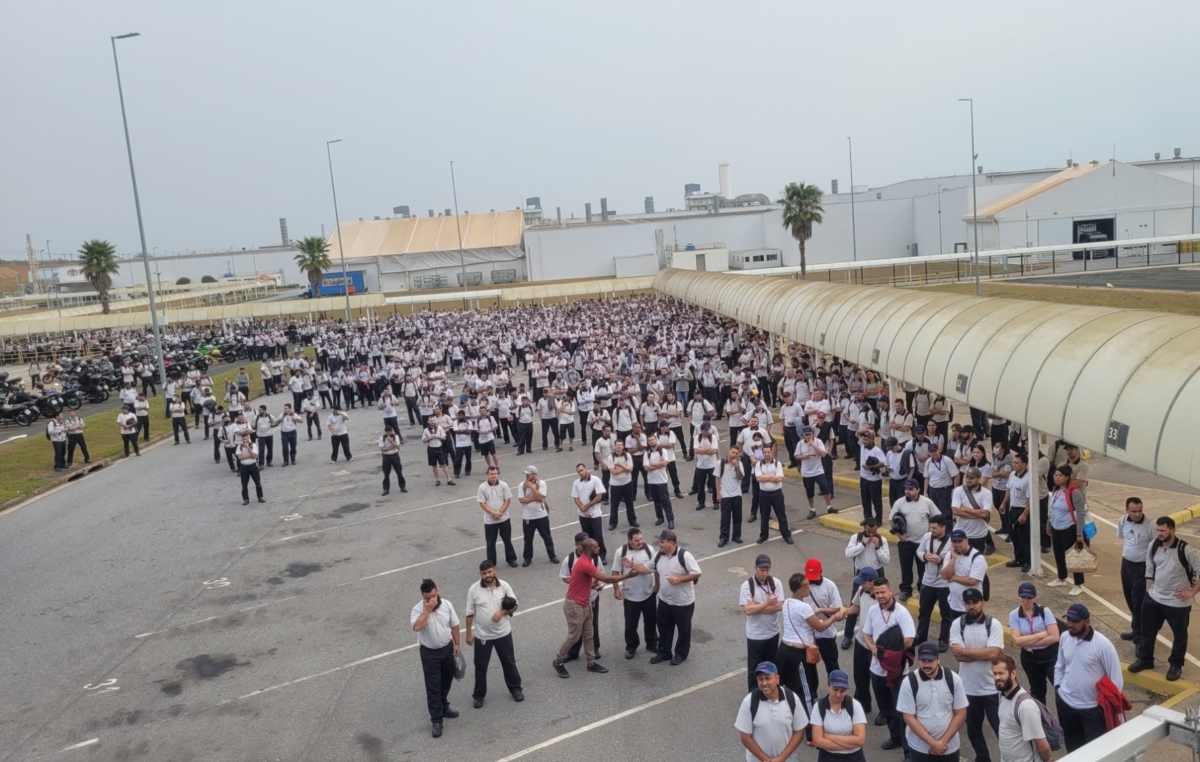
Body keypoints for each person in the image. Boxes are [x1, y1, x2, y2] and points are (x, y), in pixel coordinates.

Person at [1130, 515, 1200, 682]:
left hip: (1177, 602)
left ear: (1172, 530)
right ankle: (1145, 659)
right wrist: (1149, 591)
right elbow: (1149, 568)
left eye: (1162, 530)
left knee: (1180, 635)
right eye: (1157, 530)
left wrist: (1192, 592)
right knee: (1147, 632)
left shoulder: (1186, 550)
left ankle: (1176, 665)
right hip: (1154, 598)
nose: (1159, 533)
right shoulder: (1153, 545)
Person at [553, 537, 626, 678]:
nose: (599, 549)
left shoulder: (588, 561)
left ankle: (591, 663)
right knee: (573, 637)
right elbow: (608, 579)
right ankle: (558, 661)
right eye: (596, 547)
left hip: (584, 602)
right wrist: (629, 575)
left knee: (588, 635)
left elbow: (583, 581)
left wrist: (591, 586)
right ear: (588, 550)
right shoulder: (584, 563)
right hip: (574, 605)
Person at [1054, 603, 1122, 752]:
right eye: (1069, 620)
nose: (1070, 624)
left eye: (1075, 621)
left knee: (1096, 752)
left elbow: (1116, 681)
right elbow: (1060, 666)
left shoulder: (1103, 645)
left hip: (1092, 710)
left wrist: (1101, 707)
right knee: (1073, 749)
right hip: (1066, 704)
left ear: (1087, 622)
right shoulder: (1065, 637)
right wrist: (1058, 689)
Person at [949, 588, 1003, 762]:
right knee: (973, 730)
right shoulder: (957, 624)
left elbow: (993, 654)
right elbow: (957, 656)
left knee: (1002, 731)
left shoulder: (993, 625)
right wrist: (982, 653)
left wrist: (966, 652)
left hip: (993, 689)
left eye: (975, 602)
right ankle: (983, 758)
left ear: (982, 603)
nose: (971, 606)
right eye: (968, 603)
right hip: (968, 689)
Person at [778, 572, 846, 711]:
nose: (809, 588)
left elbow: (802, 623)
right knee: (805, 694)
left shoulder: (787, 603)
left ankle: (792, 717)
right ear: (798, 589)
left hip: (784, 650)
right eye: (806, 586)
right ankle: (810, 727)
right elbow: (820, 627)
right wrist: (834, 618)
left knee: (789, 690)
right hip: (797, 655)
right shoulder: (804, 607)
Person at [862, 577, 915, 753]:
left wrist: (889, 652)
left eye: (883, 592)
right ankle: (895, 738)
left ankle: (908, 749)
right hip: (876, 669)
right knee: (886, 708)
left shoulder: (901, 613)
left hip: (897, 671)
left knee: (902, 711)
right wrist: (874, 650)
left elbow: (908, 640)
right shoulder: (872, 610)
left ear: (891, 591)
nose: (880, 596)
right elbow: (866, 635)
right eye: (877, 593)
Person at [896, 641, 969, 762]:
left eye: (930, 660)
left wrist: (942, 742)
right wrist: (933, 743)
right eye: (923, 660)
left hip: (949, 748)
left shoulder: (953, 679)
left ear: (938, 659)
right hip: (919, 749)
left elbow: (961, 714)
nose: (926, 664)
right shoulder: (909, 682)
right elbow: (908, 717)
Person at [638, 529, 702, 666]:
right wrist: (632, 566)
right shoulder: (658, 555)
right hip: (664, 600)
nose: (659, 544)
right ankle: (664, 652)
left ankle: (681, 653)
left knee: (683, 630)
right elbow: (647, 569)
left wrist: (680, 579)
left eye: (662, 542)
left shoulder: (684, 556)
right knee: (664, 628)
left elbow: (697, 573)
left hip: (683, 602)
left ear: (671, 543)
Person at [464, 560, 522, 708]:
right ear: (480, 574)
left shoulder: (504, 586)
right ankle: (479, 695)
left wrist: (503, 612)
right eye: (484, 573)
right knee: (481, 666)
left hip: (503, 633)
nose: (487, 575)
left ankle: (515, 689)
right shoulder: (474, 589)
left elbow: (515, 605)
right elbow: (469, 613)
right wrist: (468, 634)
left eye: (489, 572)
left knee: (509, 662)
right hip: (482, 636)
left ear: (495, 570)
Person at [411, 578, 461, 738]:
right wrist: (427, 610)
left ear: (437, 591)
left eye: (433, 596)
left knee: (446, 681)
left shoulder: (446, 605)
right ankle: (436, 721)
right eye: (427, 598)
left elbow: (454, 624)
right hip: (429, 653)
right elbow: (417, 627)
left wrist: (457, 643)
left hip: (447, 649)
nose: (431, 600)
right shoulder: (418, 610)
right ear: (422, 596)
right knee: (433, 687)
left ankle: (444, 706)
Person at [734, 661, 808, 762]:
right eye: (760, 679)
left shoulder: (792, 698)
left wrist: (781, 758)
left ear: (777, 679)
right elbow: (745, 737)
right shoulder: (749, 702)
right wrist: (766, 760)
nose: (764, 683)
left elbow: (799, 732)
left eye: (768, 678)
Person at [992, 653, 1053, 762]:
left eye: (1001, 673)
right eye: (994, 673)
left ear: (1013, 673)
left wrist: (1049, 760)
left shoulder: (1025, 706)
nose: (997, 677)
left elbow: (1043, 746)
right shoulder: (1002, 696)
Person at [1007, 582, 1059, 705]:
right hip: (1030, 658)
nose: (1026, 600)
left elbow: (1055, 636)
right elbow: (1017, 640)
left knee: (1059, 688)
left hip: (1050, 656)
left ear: (1034, 598)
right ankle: (1041, 720)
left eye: (1029, 597)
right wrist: (1042, 634)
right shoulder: (1014, 615)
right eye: (1023, 597)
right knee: (1037, 691)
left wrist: (1028, 641)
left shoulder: (1044, 611)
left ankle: (1064, 721)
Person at [842, 517, 890, 649]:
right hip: (861, 575)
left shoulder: (882, 540)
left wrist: (878, 547)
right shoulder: (856, 538)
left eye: (874, 532)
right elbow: (848, 553)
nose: (872, 534)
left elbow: (886, 561)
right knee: (855, 603)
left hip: (877, 575)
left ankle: (879, 636)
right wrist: (862, 544)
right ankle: (847, 636)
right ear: (864, 528)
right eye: (869, 531)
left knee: (881, 604)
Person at [890, 478, 941, 602]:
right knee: (905, 568)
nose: (907, 491)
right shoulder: (899, 503)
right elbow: (891, 520)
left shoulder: (927, 502)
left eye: (910, 489)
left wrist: (931, 534)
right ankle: (905, 590)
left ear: (918, 490)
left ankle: (922, 589)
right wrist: (900, 536)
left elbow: (937, 517)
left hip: (922, 543)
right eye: (906, 489)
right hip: (905, 543)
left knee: (923, 569)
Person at [740, 553, 783, 691]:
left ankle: (770, 692)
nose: (764, 573)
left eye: (767, 570)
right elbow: (748, 611)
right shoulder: (747, 586)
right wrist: (767, 604)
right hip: (755, 635)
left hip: (772, 632)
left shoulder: (776, 583)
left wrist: (757, 606)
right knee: (753, 668)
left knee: (770, 666)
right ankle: (754, 695)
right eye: (761, 570)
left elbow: (780, 606)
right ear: (755, 568)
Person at [612, 527, 657, 659]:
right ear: (629, 541)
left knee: (651, 620)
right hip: (630, 595)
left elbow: (655, 569)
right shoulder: (621, 552)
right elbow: (615, 572)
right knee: (631, 624)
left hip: (648, 593)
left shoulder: (649, 550)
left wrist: (657, 587)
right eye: (636, 540)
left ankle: (652, 642)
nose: (640, 542)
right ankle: (631, 646)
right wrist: (616, 589)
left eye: (641, 539)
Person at [1046, 465, 1088, 596]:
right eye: (1055, 475)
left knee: (1074, 557)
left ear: (1067, 477)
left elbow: (1080, 513)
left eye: (1060, 476)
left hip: (1069, 528)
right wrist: (1049, 524)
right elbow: (1052, 509)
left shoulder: (1074, 492)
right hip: (1056, 527)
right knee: (1058, 554)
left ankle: (1078, 584)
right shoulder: (1055, 490)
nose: (1057, 478)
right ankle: (1061, 578)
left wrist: (1079, 534)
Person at [1115, 497, 1152, 644]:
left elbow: (1157, 545)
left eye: (1140, 511)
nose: (1137, 514)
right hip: (1126, 565)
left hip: (1141, 568)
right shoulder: (1123, 521)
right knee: (1130, 599)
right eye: (1133, 511)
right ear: (1127, 510)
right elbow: (1125, 539)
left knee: (1138, 604)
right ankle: (1135, 628)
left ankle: (1139, 638)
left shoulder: (1149, 525)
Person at [810, 669, 868, 762]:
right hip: (828, 757)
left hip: (854, 758)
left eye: (842, 691)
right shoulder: (819, 707)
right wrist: (849, 744)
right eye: (835, 689)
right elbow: (817, 741)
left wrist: (829, 736)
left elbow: (860, 740)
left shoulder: (855, 705)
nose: (838, 694)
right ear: (828, 686)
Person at [845, 567, 879, 720]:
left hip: (875, 647)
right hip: (860, 641)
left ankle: (886, 711)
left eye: (864, 582)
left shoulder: (881, 599)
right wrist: (844, 612)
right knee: (860, 677)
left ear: (873, 582)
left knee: (879, 682)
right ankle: (862, 705)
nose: (862, 585)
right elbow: (856, 607)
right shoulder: (861, 590)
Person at [942, 528, 987, 624]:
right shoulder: (950, 555)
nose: (957, 544)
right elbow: (945, 575)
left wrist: (954, 578)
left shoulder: (978, 558)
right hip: (954, 604)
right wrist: (953, 559)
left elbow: (972, 580)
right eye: (954, 541)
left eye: (960, 541)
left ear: (966, 540)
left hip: (971, 607)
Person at [478, 466, 517, 568]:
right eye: (491, 474)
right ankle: (491, 564)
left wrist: (500, 512)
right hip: (490, 521)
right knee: (490, 543)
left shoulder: (504, 485)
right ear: (487, 475)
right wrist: (493, 513)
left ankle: (511, 559)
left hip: (504, 519)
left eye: (495, 474)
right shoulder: (482, 487)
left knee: (507, 540)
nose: (493, 476)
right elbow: (482, 503)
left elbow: (507, 500)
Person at [517, 465, 557, 566]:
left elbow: (541, 498)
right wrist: (536, 497)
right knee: (528, 539)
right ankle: (527, 558)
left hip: (541, 516)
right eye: (526, 474)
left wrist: (531, 487)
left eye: (528, 474)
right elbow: (522, 500)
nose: (526, 476)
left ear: (534, 474)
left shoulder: (542, 483)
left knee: (547, 537)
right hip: (528, 517)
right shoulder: (522, 485)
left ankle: (552, 555)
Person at [755, 443, 794, 545]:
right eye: (765, 452)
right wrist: (772, 476)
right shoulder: (759, 465)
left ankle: (786, 535)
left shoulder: (778, 464)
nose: (767, 454)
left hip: (777, 494)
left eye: (768, 452)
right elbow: (759, 479)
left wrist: (765, 477)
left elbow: (780, 478)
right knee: (764, 516)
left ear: (772, 452)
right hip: (764, 494)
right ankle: (763, 536)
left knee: (781, 516)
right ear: (762, 453)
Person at [796, 425, 836, 519]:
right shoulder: (800, 444)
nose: (808, 436)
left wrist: (814, 445)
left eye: (809, 434)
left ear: (813, 434)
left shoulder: (818, 442)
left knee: (825, 488)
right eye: (806, 435)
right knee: (809, 492)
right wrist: (804, 456)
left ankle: (829, 506)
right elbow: (797, 456)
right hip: (807, 472)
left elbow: (823, 454)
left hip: (818, 470)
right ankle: (812, 509)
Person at [572, 463, 608, 561]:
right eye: (578, 471)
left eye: (581, 470)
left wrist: (586, 507)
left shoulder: (595, 480)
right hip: (583, 515)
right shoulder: (576, 483)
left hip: (595, 514)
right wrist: (583, 509)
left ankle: (601, 555)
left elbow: (599, 497)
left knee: (598, 536)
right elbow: (576, 498)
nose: (580, 472)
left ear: (586, 469)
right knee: (587, 538)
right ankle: (590, 555)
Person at [716, 446, 745, 547]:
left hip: (737, 494)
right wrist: (718, 493)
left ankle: (736, 536)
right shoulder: (720, 463)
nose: (734, 455)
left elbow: (741, 477)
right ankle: (723, 537)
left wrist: (737, 466)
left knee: (737, 517)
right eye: (733, 452)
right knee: (725, 518)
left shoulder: (739, 464)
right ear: (729, 451)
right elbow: (717, 479)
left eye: (736, 454)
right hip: (725, 495)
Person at [422, 417, 454, 486]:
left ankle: (449, 479)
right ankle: (437, 480)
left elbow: (444, 438)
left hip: (439, 448)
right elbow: (424, 440)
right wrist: (430, 437)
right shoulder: (426, 430)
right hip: (431, 449)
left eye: (433, 420)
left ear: (435, 421)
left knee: (444, 464)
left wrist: (437, 436)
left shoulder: (439, 428)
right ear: (428, 422)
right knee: (434, 465)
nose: (432, 422)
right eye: (430, 421)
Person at [235, 433, 264, 505]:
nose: (245, 440)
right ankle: (246, 499)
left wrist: (248, 448)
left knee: (257, 482)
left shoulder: (253, 445)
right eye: (243, 439)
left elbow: (254, 456)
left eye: (246, 439)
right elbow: (240, 457)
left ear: (249, 438)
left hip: (253, 466)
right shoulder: (240, 446)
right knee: (244, 484)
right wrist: (250, 456)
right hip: (244, 466)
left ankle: (260, 497)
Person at [379, 429, 407, 495]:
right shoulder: (382, 438)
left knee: (399, 472)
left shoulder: (395, 437)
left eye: (389, 432)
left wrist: (391, 441)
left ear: (391, 431)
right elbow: (382, 449)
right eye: (387, 433)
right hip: (386, 457)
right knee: (386, 474)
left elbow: (397, 446)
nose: (388, 434)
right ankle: (386, 489)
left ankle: (402, 487)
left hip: (395, 456)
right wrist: (392, 447)